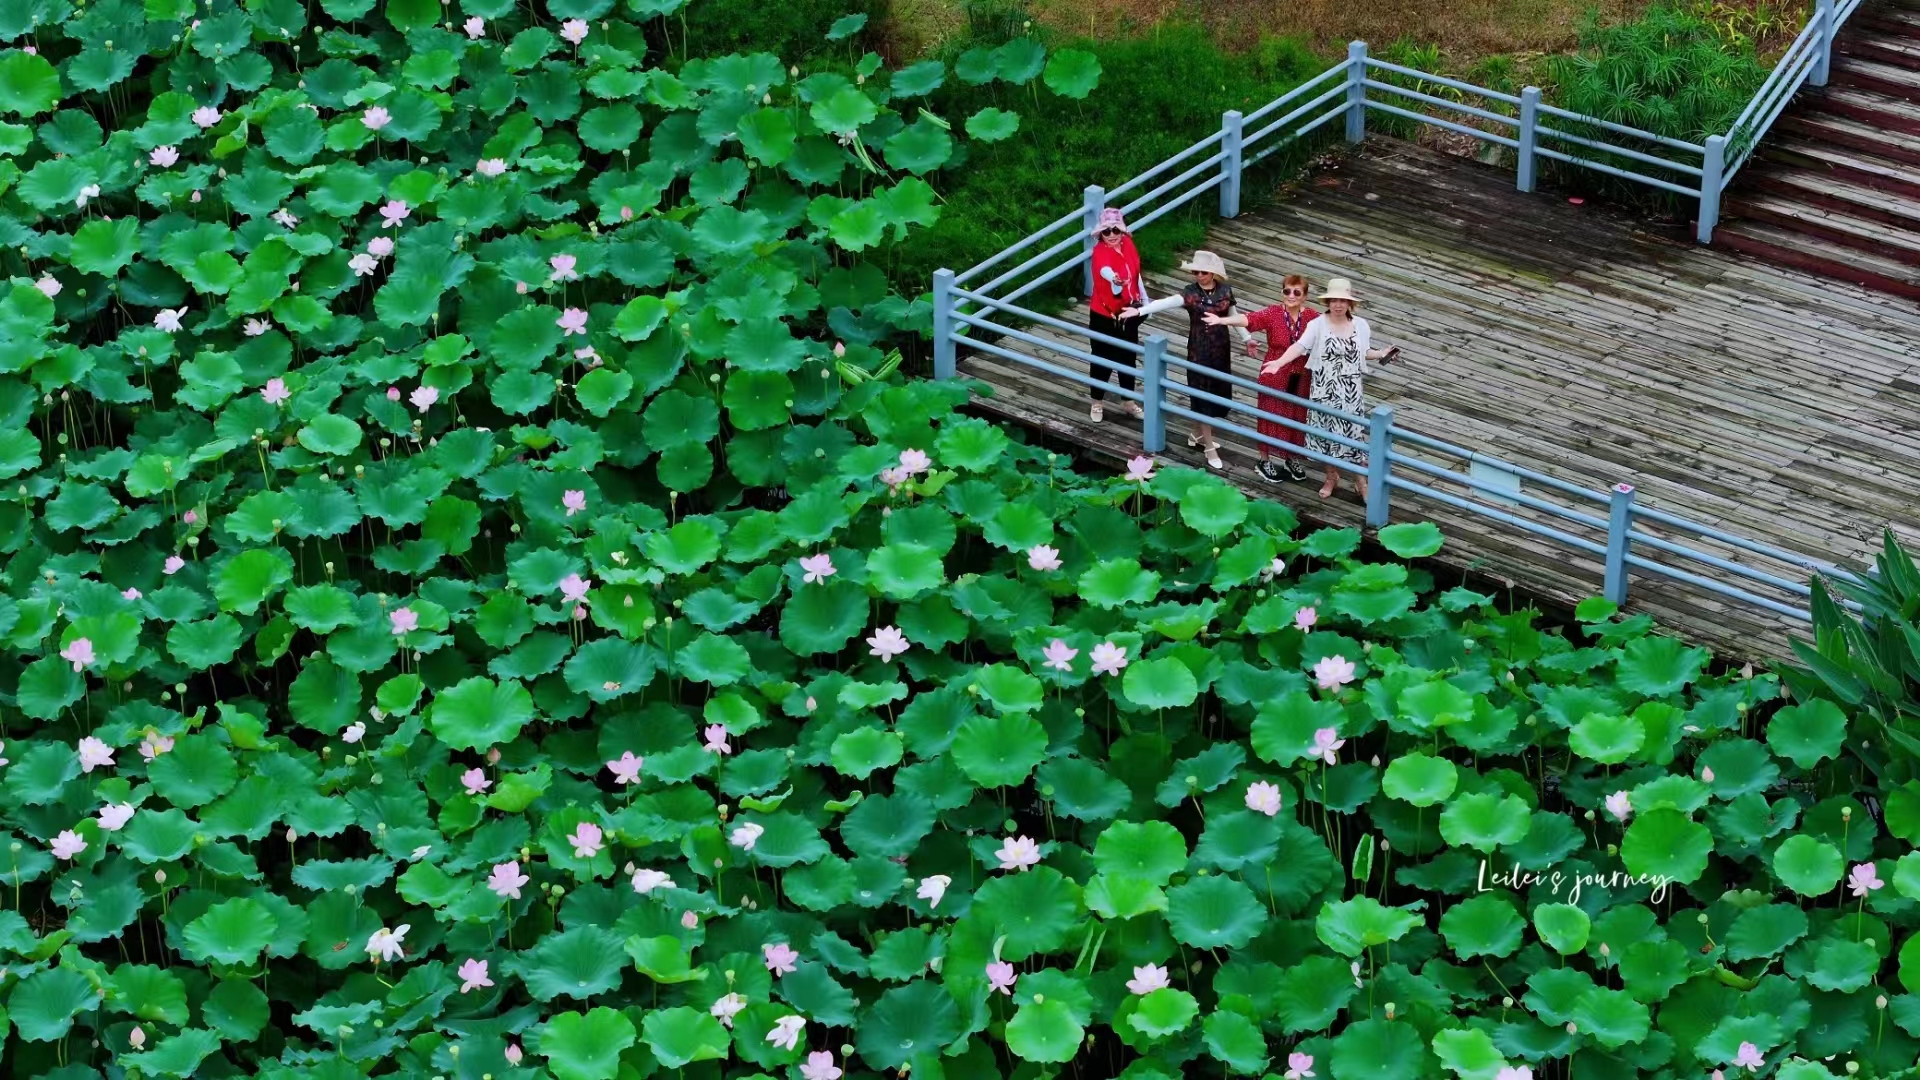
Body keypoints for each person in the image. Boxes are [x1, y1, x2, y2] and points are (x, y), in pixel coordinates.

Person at [1215, 277, 1398, 500]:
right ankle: (1331, 477)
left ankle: (1361, 482)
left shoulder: (1360, 325)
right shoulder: (1317, 323)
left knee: (1353, 436)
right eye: (1333, 300)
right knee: (1324, 435)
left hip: (1350, 390)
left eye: (1342, 300)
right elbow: (1299, 346)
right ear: (1328, 302)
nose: (1338, 305)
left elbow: (1365, 351)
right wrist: (1279, 362)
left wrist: (1381, 354)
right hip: (1322, 387)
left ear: (1350, 303)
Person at [1120, 251, 1235, 470]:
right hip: (1199, 350)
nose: (1198, 275)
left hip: (1222, 349)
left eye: (1203, 272)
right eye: (1195, 272)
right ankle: (1209, 446)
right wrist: (1139, 311)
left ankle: (1196, 434)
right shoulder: (1190, 293)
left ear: (1213, 273)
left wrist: (1247, 338)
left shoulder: (1226, 291)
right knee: (1202, 395)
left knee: (1219, 393)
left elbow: (1233, 314)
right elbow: (1165, 303)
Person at [1204, 274, 1318, 484]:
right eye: (1286, 291)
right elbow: (1249, 319)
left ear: (1305, 296)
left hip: (1301, 374)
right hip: (1274, 370)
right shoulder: (1274, 313)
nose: (1291, 296)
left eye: (1296, 292)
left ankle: (1291, 456)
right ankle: (1263, 459)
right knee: (1270, 413)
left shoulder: (1313, 318)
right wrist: (1222, 320)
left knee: (1296, 415)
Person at [1086, 208, 1146, 424]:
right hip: (1103, 314)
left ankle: (1128, 401)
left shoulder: (1129, 245)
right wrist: (1115, 280)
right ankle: (1097, 401)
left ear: (1122, 230)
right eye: (1106, 231)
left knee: (1127, 356)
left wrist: (1144, 301)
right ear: (1100, 234)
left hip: (1128, 311)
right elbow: (1105, 271)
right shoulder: (1100, 252)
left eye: (1115, 230)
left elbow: (1136, 275)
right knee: (1101, 357)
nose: (1111, 235)